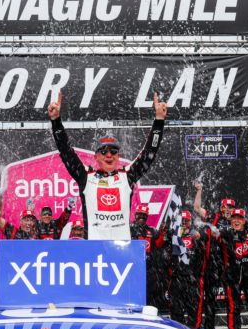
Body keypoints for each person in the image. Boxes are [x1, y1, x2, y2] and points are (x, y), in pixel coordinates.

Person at [48, 91, 167, 239]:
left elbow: (150, 152)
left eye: (113, 151)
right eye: (103, 151)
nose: (109, 154)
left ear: (118, 156)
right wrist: (56, 121)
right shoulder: (86, 176)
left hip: (122, 252)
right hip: (95, 252)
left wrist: (159, 121)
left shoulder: (127, 176)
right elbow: (66, 151)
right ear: (96, 156)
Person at [193, 182, 236, 329]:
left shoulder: (237, 221)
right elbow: (197, 209)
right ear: (221, 208)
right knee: (209, 298)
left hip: (230, 268)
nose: (228, 210)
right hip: (212, 265)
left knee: (232, 303)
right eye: (226, 207)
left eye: (231, 208)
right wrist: (199, 190)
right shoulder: (214, 218)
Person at [166, 210, 206, 329]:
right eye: (181, 221)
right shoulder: (173, 236)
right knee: (176, 310)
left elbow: (204, 245)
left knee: (192, 309)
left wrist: (199, 238)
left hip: (191, 278)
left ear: (190, 222)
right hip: (177, 277)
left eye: (186, 221)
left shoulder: (195, 235)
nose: (184, 223)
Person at [130, 204, 166, 308]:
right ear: (135, 215)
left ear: (147, 217)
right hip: (133, 267)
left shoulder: (152, 230)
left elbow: (159, 244)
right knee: (134, 293)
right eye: (140, 215)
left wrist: (163, 234)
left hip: (149, 268)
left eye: (144, 215)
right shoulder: (129, 229)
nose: (141, 217)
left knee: (150, 294)